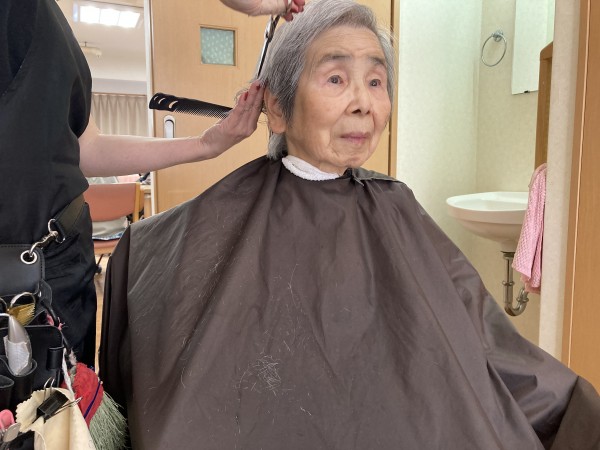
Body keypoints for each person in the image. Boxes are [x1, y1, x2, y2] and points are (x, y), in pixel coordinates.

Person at [99, 0, 600, 448]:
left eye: (376, 82)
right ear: (277, 107)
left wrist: (579, 413)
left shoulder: (396, 205)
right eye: (336, 79)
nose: (363, 102)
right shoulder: (201, 226)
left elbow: (485, 337)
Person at [0, 0, 304, 368]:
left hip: (62, 268)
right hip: (17, 284)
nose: (359, 103)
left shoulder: (48, 20)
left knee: (72, 396)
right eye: (335, 78)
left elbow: (84, 148)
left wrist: (207, 145)